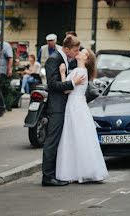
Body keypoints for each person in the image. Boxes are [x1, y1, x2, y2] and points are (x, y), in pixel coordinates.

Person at [55, 48, 108, 183]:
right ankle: (83, 169)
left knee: (73, 136)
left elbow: (66, 89)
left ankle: (74, 171)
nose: (78, 52)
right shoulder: (81, 71)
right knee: (81, 136)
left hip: (74, 106)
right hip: (79, 106)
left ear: (86, 58)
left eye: (82, 52)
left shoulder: (79, 71)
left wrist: (62, 73)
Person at [42, 34, 84, 186]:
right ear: (66, 49)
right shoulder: (54, 59)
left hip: (63, 106)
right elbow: (52, 85)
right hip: (56, 107)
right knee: (52, 141)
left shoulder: (64, 59)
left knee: (58, 141)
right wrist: (72, 83)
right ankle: (47, 177)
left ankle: (55, 174)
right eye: (75, 50)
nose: (77, 52)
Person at [0, 39, 14, 116]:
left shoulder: (5, 45)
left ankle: (2, 107)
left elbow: (10, 58)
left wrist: (9, 69)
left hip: (1, 70)